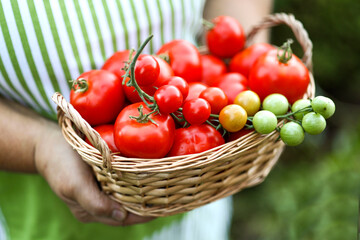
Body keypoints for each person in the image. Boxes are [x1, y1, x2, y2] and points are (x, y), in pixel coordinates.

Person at [0, 0, 272, 239]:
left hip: (198, 184)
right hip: (45, 218)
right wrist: (39, 146)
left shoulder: (187, 104)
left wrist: (250, 64)